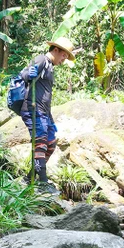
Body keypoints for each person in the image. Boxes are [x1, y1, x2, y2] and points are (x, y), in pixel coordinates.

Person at [20, 37, 75, 194]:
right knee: (41, 143)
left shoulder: (49, 66)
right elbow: (23, 74)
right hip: (33, 109)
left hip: (44, 113)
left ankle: (30, 176)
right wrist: (28, 74)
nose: (64, 60)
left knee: (51, 143)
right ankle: (43, 182)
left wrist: (51, 119)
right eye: (64, 55)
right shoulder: (41, 60)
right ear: (56, 50)